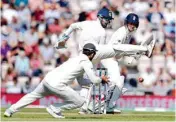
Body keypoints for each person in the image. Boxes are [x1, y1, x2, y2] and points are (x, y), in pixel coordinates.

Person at [54, 10, 156, 114]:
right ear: (100, 17)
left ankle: (92, 107)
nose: (108, 22)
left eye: (109, 20)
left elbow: (73, 26)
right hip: (96, 55)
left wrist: (63, 38)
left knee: (108, 83)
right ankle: (144, 50)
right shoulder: (104, 32)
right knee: (108, 81)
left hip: (89, 57)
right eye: (107, 20)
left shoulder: (88, 23)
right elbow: (111, 51)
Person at [4, 43, 109, 118]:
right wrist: (101, 79)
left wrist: (94, 82)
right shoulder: (86, 62)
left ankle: (10, 110)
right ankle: (55, 108)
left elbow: (81, 81)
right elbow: (95, 80)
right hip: (57, 84)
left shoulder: (75, 59)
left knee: (32, 96)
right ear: (91, 54)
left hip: (47, 79)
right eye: (94, 53)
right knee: (80, 102)